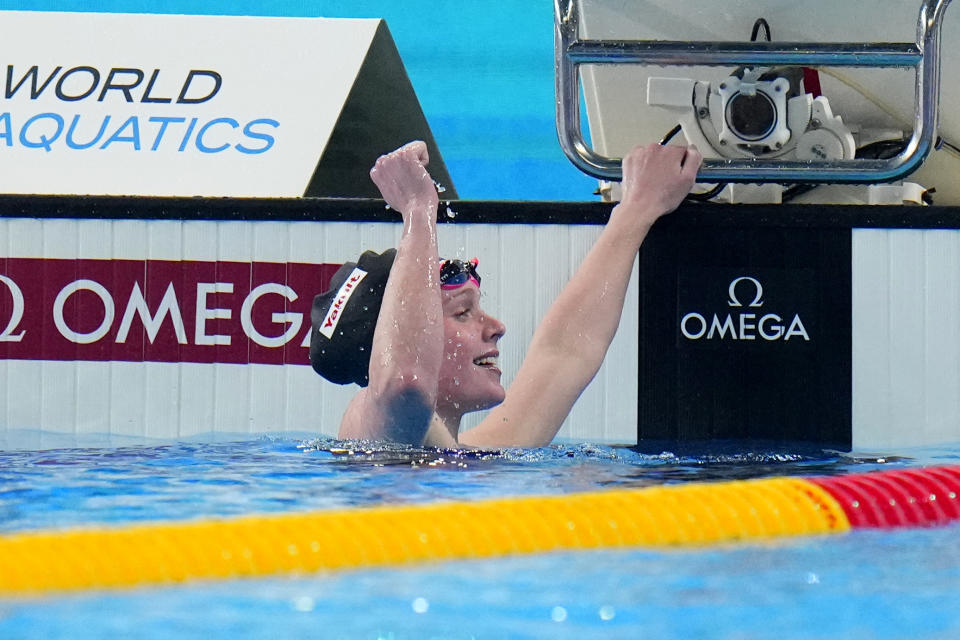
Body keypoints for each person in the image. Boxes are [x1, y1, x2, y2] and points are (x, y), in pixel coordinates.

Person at [310, 140, 701, 448]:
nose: (497, 327)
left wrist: (636, 210)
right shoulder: (376, 435)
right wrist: (417, 209)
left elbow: (566, 353)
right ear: (385, 345)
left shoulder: (464, 454)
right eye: (462, 312)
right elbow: (404, 381)